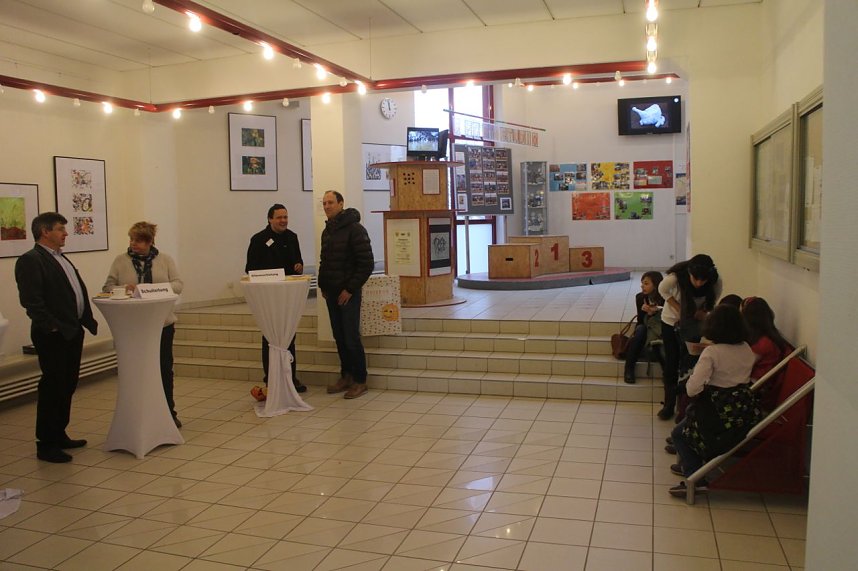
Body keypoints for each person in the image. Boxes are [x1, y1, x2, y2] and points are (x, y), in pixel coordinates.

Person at [15, 212, 98, 463]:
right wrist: (51, 326)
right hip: (54, 334)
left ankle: (59, 433)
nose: (65, 233)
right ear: (45, 232)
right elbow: (31, 300)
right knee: (53, 387)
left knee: (67, 384)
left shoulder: (60, 258)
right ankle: (46, 443)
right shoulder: (31, 260)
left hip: (72, 331)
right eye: (61, 229)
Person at [668, 304, 762, 497]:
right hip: (742, 408)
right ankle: (691, 467)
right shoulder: (746, 348)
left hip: (716, 411)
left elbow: (693, 388)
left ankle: (696, 478)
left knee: (680, 434)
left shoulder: (712, 353)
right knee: (686, 429)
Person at [103, 221, 184, 427]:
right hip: (133, 326)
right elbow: (108, 286)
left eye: (138, 240)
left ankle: (168, 412)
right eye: (131, 240)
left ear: (149, 241)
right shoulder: (121, 261)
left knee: (164, 369)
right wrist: (126, 288)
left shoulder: (164, 260)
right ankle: (139, 414)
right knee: (138, 370)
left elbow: (177, 284)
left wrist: (151, 289)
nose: (133, 244)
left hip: (162, 324)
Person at [245, 204, 306, 395]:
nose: (283, 221)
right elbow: (250, 269)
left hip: (288, 297)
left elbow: (299, 262)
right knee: (270, 337)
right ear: (270, 219)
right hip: (268, 298)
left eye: (286, 217)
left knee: (289, 336)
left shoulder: (292, 237)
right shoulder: (258, 240)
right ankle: (271, 377)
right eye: (279, 217)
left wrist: (299, 266)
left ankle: (290, 377)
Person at [318, 190, 374, 399]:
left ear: (341, 203)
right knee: (339, 337)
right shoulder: (328, 230)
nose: (327, 206)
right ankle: (346, 376)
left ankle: (360, 380)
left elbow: (366, 263)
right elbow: (325, 261)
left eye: (330, 202)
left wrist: (349, 289)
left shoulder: (355, 229)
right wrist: (323, 285)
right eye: (324, 203)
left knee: (351, 337)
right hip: (331, 293)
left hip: (348, 294)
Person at [657, 254, 722, 420]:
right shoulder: (675, 278)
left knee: (689, 363)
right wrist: (679, 308)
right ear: (689, 273)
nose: (699, 283)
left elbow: (713, 300)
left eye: (703, 280)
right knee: (672, 361)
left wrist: (704, 312)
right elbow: (662, 290)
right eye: (695, 279)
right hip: (671, 322)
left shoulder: (715, 280)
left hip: (694, 325)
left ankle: (683, 408)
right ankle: (669, 404)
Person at [741, 296, 790, 410]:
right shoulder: (769, 337)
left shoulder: (764, 343)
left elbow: (744, 366)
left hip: (757, 387)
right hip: (758, 383)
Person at [623, 271, 664, 383]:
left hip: (660, 328)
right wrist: (648, 314)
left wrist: (656, 312)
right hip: (646, 327)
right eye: (642, 283)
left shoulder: (665, 298)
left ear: (656, 284)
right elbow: (640, 321)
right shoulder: (640, 298)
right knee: (640, 330)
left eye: (646, 283)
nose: (642, 286)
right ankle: (629, 368)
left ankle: (667, 371)